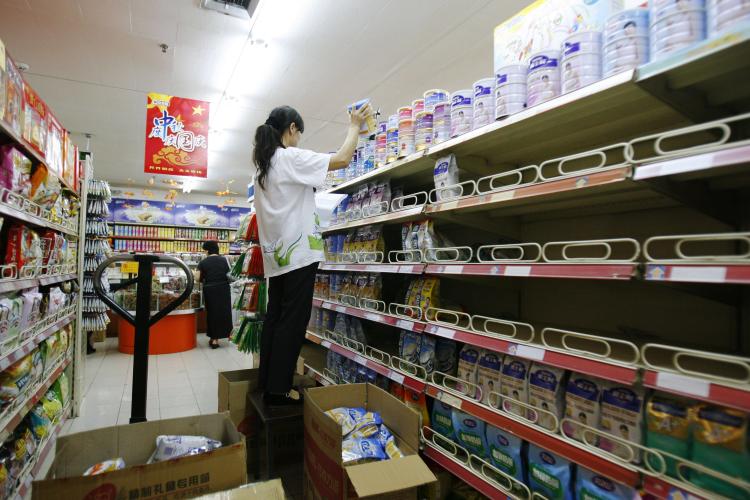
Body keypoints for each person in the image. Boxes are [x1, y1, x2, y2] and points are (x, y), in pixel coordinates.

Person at [253, 103, 372, 406]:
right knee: (293, 322)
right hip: (297, 256)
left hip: (277, 258)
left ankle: (268, 382)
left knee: (276, 319)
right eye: (298, 134)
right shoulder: (288, 156)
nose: (298, 141)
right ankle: (279, 390)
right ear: (291, 129)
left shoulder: (263, 168)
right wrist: (354, 125)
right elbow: (343, 159)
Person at [197, 241, 233, 348]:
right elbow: (229, 274)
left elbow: (198, 278)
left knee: (212, 313)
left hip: (210, 289)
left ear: (207, 250)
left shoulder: (203, 262)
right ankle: (228, 335)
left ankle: (214, 340)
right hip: (223, 288)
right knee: (224, 311)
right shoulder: (224, 260)